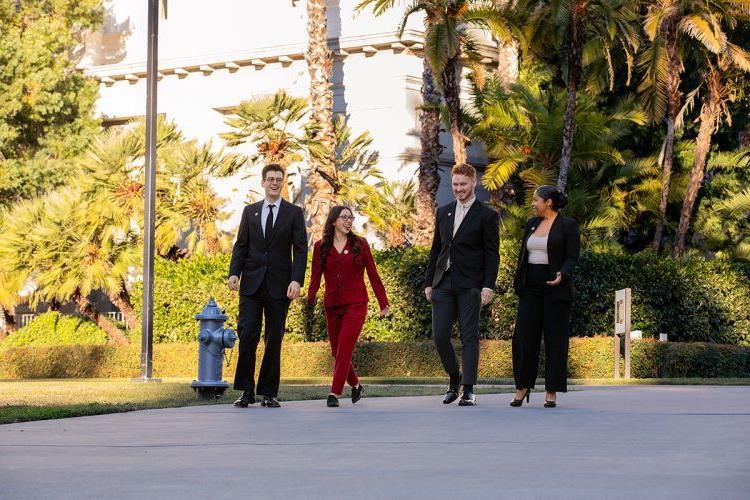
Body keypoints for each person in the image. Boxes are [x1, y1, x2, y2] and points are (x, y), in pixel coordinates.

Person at [228, 164, 307, 408]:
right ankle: (247, 391)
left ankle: (269, 392)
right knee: (248, 335)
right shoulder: (249, 211)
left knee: (274, 338)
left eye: (279, 179)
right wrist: (234, 273)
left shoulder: (293, 212)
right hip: (251, 285)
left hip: (279, 286)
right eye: (270, 179)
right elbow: (241, 245)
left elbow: (300, 248)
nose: (274, 183)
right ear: (263, 182)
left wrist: (296, 279)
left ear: (283, 183)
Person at [424, 163, 499, 406]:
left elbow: (492, 254)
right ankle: (454, 377)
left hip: (471, 284)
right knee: (440, 335)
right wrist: (429, 282)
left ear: (473, 183)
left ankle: (468, 389)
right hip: (443, 283)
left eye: (463, 184)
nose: (458, 189)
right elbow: (437, 249)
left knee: (469, 336)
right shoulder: (443, 211)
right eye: (455, 185)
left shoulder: (487, 215)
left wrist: (488, 285)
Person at [307, 206, 389, 408]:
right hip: (332, 305)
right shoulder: (320, 246)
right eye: (344, 217)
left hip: (356, 303)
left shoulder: (360, 244)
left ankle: (334, 392)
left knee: (344, 349)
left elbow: (373, 273)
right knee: (337, 351)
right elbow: (315, 277)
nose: (348, 221)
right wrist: (310, 299)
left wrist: (383, 302)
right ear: (334, 221)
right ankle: (356, 385)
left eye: (350, 217)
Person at [510, 185, 580, 408]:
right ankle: (522, 386)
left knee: (555, 340)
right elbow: (524, 254)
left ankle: (551, 390)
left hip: (556, 286)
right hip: (531, 284)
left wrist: (563, 273)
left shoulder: (568, 225)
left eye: (536, 200)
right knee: (523, 337)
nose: (533, 203)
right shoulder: (532, 224)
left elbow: (572, 256)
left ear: (548, 202)